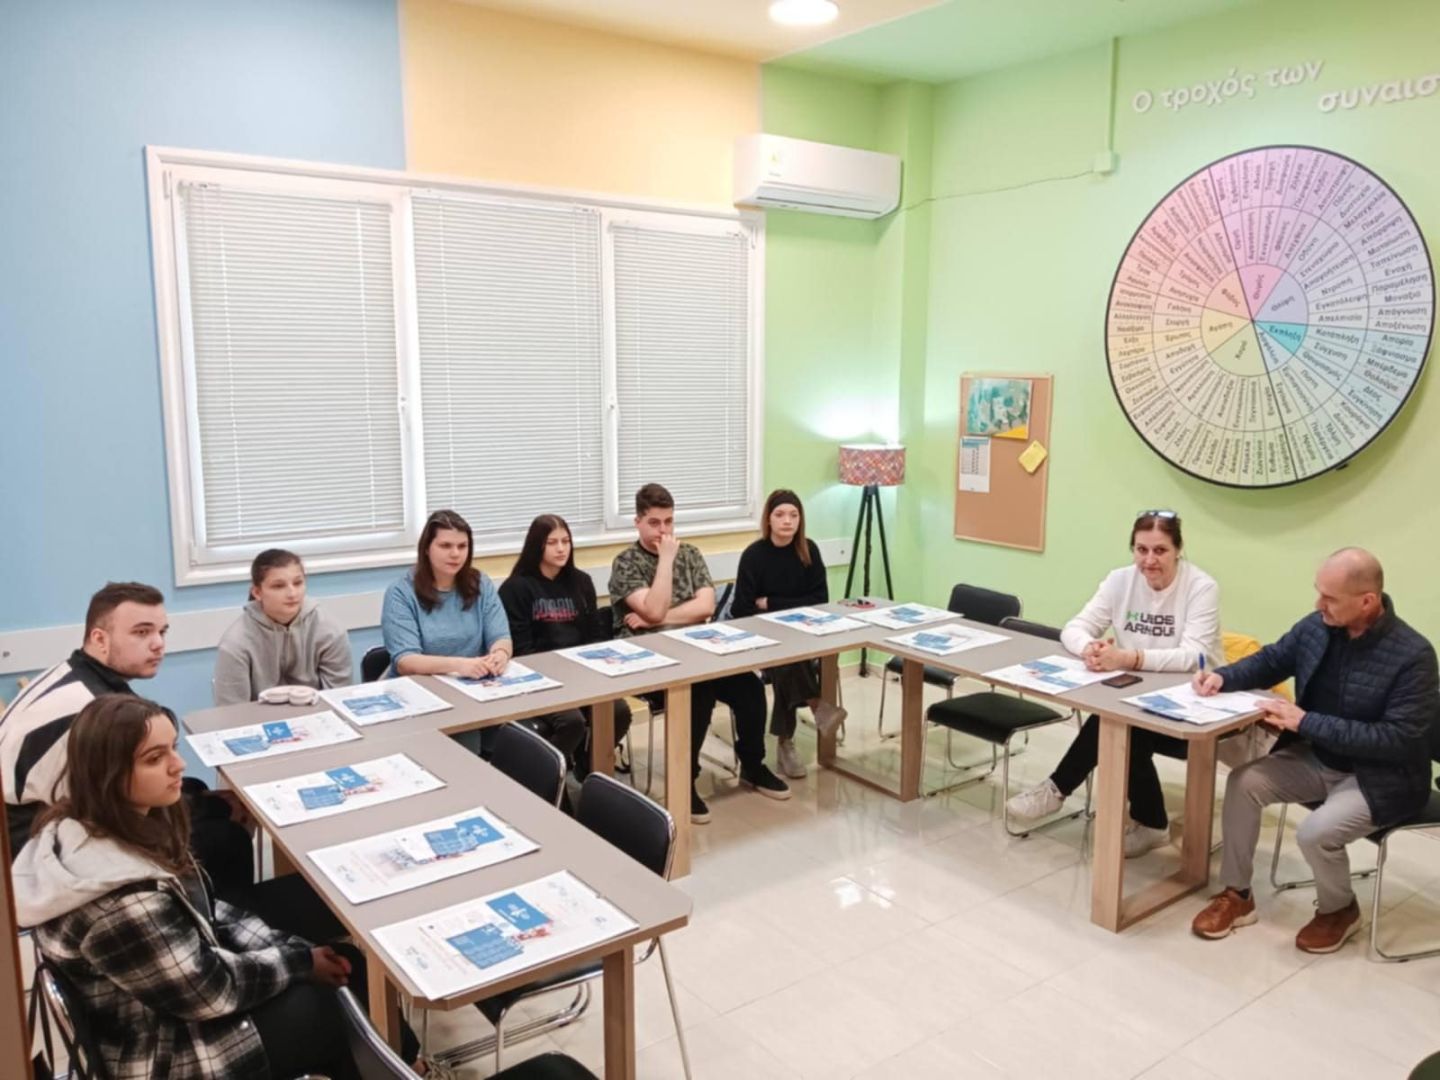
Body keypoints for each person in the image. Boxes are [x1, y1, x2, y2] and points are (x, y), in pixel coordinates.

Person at [12, 694, 429, 1079]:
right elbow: (210, 992)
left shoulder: (103, 827)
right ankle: (403, 1067)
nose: (178, 765)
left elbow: (207, 912)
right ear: (107, 775)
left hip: (168, 1009)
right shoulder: (120, 902)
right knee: (329, 1007)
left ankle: (402, 1065)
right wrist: (299, 962)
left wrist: (294, 952)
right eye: (155, 758)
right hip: (163, 1054)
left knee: (341, 966)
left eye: (173, 748)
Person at [1190, 548, 1438, 953]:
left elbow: (1398, 739)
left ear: (1367, 601)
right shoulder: (1318, 626)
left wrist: (1305, 722)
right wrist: (1222, 677)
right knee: (1244, 782)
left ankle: (1339, 910)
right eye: (1318, 592)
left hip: (1383, 778)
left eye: (1330, 597)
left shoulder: (1414, 657)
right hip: (1318, 758)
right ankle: (1237, 895)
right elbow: (1272, 660)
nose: (1319, 603)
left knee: (1315, 833)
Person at [0, 583, 251, 885]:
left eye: (162, 632)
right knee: (227, 838)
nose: (158, 644)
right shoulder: (92, 712)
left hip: (42, 815)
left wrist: (204, 800)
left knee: (196, 791)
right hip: (33, 847)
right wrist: (217, 806)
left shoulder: (72, 673)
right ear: (99, 639)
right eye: (142, 632)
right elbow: (117, 812)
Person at [1006, 511, 1222, 857]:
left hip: (1195, 703)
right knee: (1120, 722)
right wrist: (1089, 648)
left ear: (1178, 550)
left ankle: (1059, 789)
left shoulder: (1201, 587)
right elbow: (1074, 628)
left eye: (1160, 550)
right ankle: (1146, 821)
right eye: (1141, 550)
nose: (1149, 560)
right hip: (1137, 695)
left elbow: (1191, 656)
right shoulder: (1119, 581)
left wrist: (1128, 658)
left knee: (1121, 725)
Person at [609, 483, 790, 823]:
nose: (663, 531)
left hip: (698, 650)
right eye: (654, 523)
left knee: (750, 688)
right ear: (637, 522)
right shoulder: (626, 563)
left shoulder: (690, 554)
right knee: (699, 693)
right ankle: (684, 780)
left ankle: (753, 765)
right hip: (648, 660)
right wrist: (665, 562)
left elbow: (704, 607)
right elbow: (656, 607)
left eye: (669, 522)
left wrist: (655, 618)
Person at [499, 513, 629, 774]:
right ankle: (543, 776)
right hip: (539, 679)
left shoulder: (581, 582)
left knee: (619, 712)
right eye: (552, 542)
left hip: (581, 673)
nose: (561, 549)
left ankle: (588, 767)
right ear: (537, 546)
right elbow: (522, 650)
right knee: (571, 722)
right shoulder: (516, 588)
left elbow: (594, 636)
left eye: (566, 541)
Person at [732, 489, 847, 779]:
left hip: (805, 633)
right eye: (780, 514)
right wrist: (781, 609)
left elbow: (820, 599)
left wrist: (771, 603)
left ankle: (788, 741)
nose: (787, 521)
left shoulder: (809, 550)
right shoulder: (754, 555)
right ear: (768, 519)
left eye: (794, 515)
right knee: (788, 660)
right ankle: (813, 711)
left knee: (791, 661)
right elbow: (741, 609)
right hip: (763, 638)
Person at [382, 509, 513, 755]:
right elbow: (405, 661)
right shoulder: (400, 592)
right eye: (445, 546)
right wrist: (460, 665)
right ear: (426, 548)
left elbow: (501, 637)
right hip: (419, 695)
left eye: (462, 546)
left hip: (472, 691)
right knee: (467, 739)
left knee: (515, 734)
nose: (455, 554)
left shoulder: (481, 583)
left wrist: (500, 654)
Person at [212, 548, 353, 706]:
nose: (292, 593)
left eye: (298, 583)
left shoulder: (329, 630)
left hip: (319, 715)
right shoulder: (235, 643)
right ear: (257, 592)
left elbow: (339, 698)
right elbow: (232, 711)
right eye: (279, 586)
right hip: (257, 719)